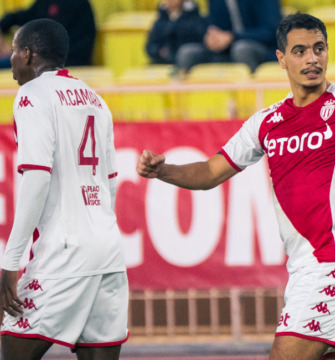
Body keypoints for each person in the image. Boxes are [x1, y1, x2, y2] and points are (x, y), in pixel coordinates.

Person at [137, 12, 335, 359]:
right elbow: (211, 172)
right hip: (303, 269)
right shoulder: (267, 122)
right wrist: (164, 171)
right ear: (281, 59)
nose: (312, 59)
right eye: (300, 51)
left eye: (319, 48)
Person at [0, 19, 128, 360]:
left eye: (13, 50)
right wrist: (99, 228)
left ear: (27, 54)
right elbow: (111, 180)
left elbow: (37, 178)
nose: (10, 59)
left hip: (64, 251)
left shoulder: (32, 95)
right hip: (108, 248)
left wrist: (10, 262)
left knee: (12, 349)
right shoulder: (95, 99)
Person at [176, 0, 282, 72]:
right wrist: (211, 38)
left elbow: (271, 31)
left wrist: (232, 37)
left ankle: (249, 101)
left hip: (263, 48)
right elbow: (214, 26)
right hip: (225, 50)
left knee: (242, 49)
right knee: (187, 53)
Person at [0, 0, 96, 68]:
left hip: (66, 63)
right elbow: (23, 16)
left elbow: (80, 47)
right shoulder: (45, 3)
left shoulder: (77, 4)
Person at [146, 0, 207, 65]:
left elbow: (199, 43)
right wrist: (159, 52)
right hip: (162, 63)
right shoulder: (160, 22)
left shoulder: (195, 19)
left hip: (187, 64)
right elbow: (150, 47)